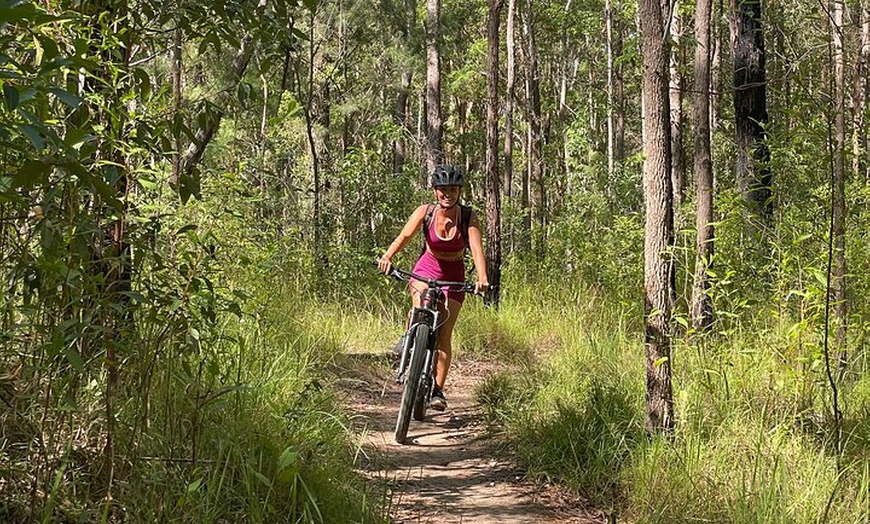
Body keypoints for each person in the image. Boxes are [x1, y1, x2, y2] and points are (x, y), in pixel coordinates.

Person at [377, 164, 488, 411]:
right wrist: (387, 257)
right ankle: (409, 338)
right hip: (427, 267)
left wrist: (482, 277)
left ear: (459, 191)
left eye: (451, 189)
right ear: (434, 191)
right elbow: (404, 237)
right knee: (420, 306)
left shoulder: (468, 217)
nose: (446, 194)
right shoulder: (425, 212)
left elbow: (478, 250)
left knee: (444, 332)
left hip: (454, 274)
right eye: (441, 189)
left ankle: (437, 389)